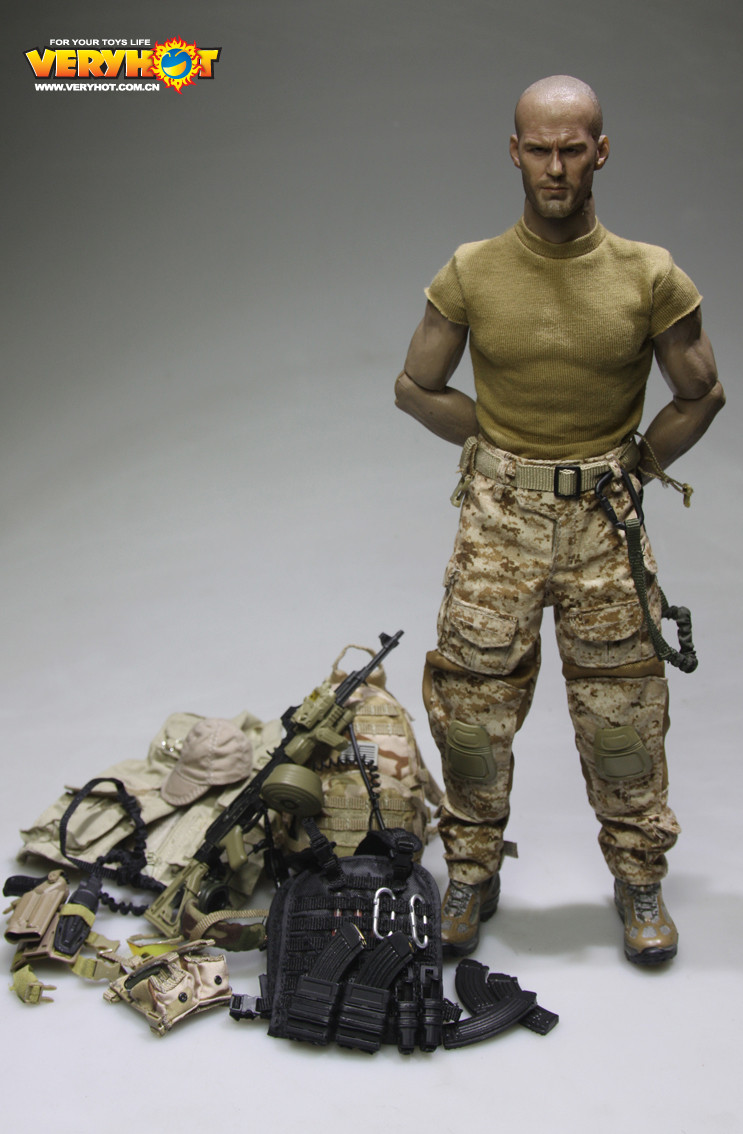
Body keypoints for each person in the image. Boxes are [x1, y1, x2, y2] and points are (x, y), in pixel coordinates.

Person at [394, 75, 724, 965]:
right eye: (537, 149)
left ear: (599, 153)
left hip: (603, 529)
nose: (553, 167)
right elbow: (414, 386)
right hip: (496, 524)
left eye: (571, 149)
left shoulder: (649, 275)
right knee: (472, 708)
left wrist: (635, 467)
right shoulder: (471, 271)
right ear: (513, 152)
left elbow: (701, 393)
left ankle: (638, 875)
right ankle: (470, 870)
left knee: (623, 713)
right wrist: (498, 449)